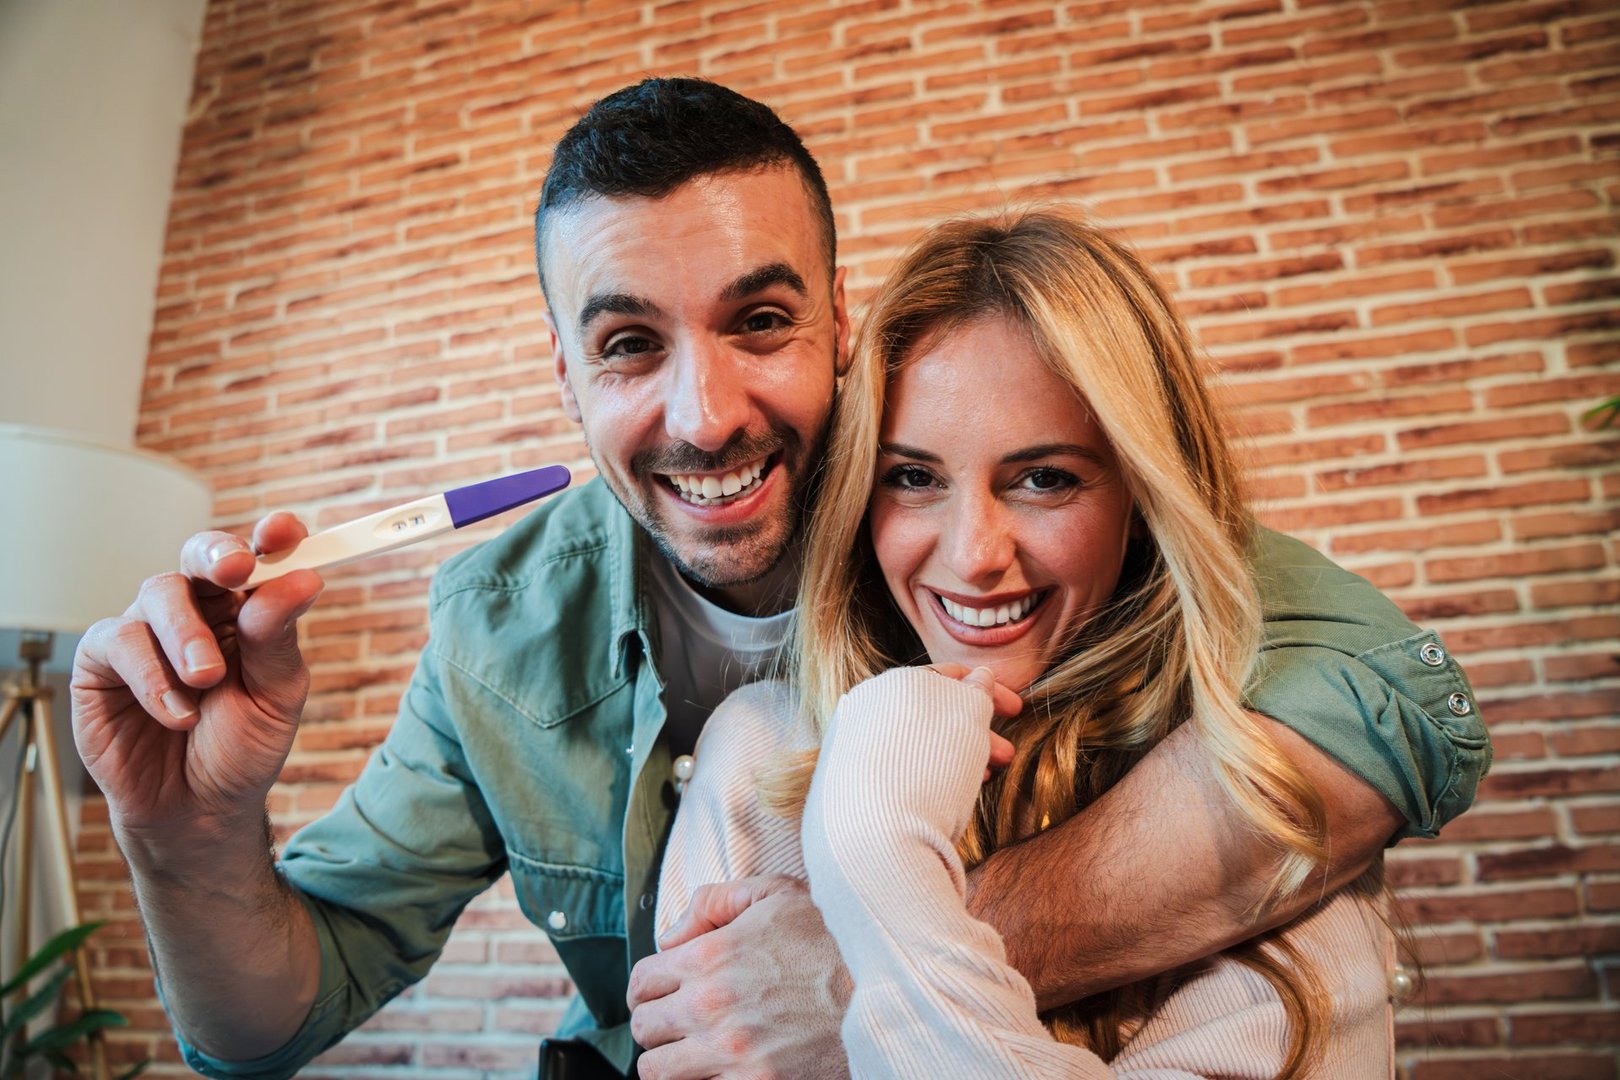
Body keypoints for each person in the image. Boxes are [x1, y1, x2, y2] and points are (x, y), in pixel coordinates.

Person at [68, 79, 1488, 1080]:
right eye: (629, 345)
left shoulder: (948, 505)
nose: (703, 414)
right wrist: (188, 840)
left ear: (841, 327)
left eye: (759, 321)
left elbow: (1393, 708)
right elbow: (269, 1025)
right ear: (564, 376)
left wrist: (872, 970)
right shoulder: (496, 632)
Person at [656, 209, 1421, 1077]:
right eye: (912, 477)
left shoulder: (1251, 798)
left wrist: (875, 852)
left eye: (1044, 479)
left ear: (1142, 496)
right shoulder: (758, 749)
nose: (974, 556)